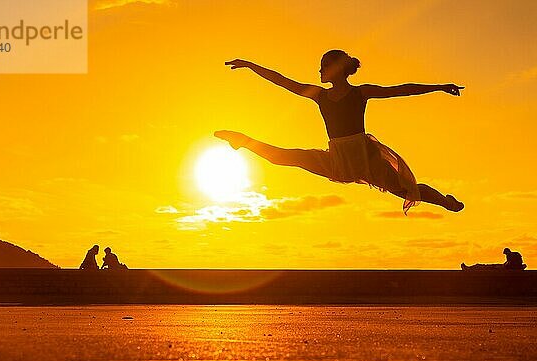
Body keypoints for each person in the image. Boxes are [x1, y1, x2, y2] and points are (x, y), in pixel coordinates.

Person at [214, 49, 465, 215]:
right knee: (287, 157)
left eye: (323, 66)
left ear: (335, 68)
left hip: (364, 157)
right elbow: (282, 81)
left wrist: (439, 86)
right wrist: (250, 65)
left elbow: (401, 89)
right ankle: (242, 141)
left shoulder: (360, 93)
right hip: (337, 157)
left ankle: (446, 202)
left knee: (407, 189)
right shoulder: (320, 96)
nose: (319, 72)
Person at [461, 248, 527, 271]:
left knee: (485, 267)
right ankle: (470, 267)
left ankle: (470, 268)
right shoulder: (516, 254)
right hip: (507, 267)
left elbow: (508, 264)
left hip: (505, 268)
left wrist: (502, 266)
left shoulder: (510, 255)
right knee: (486, 266)